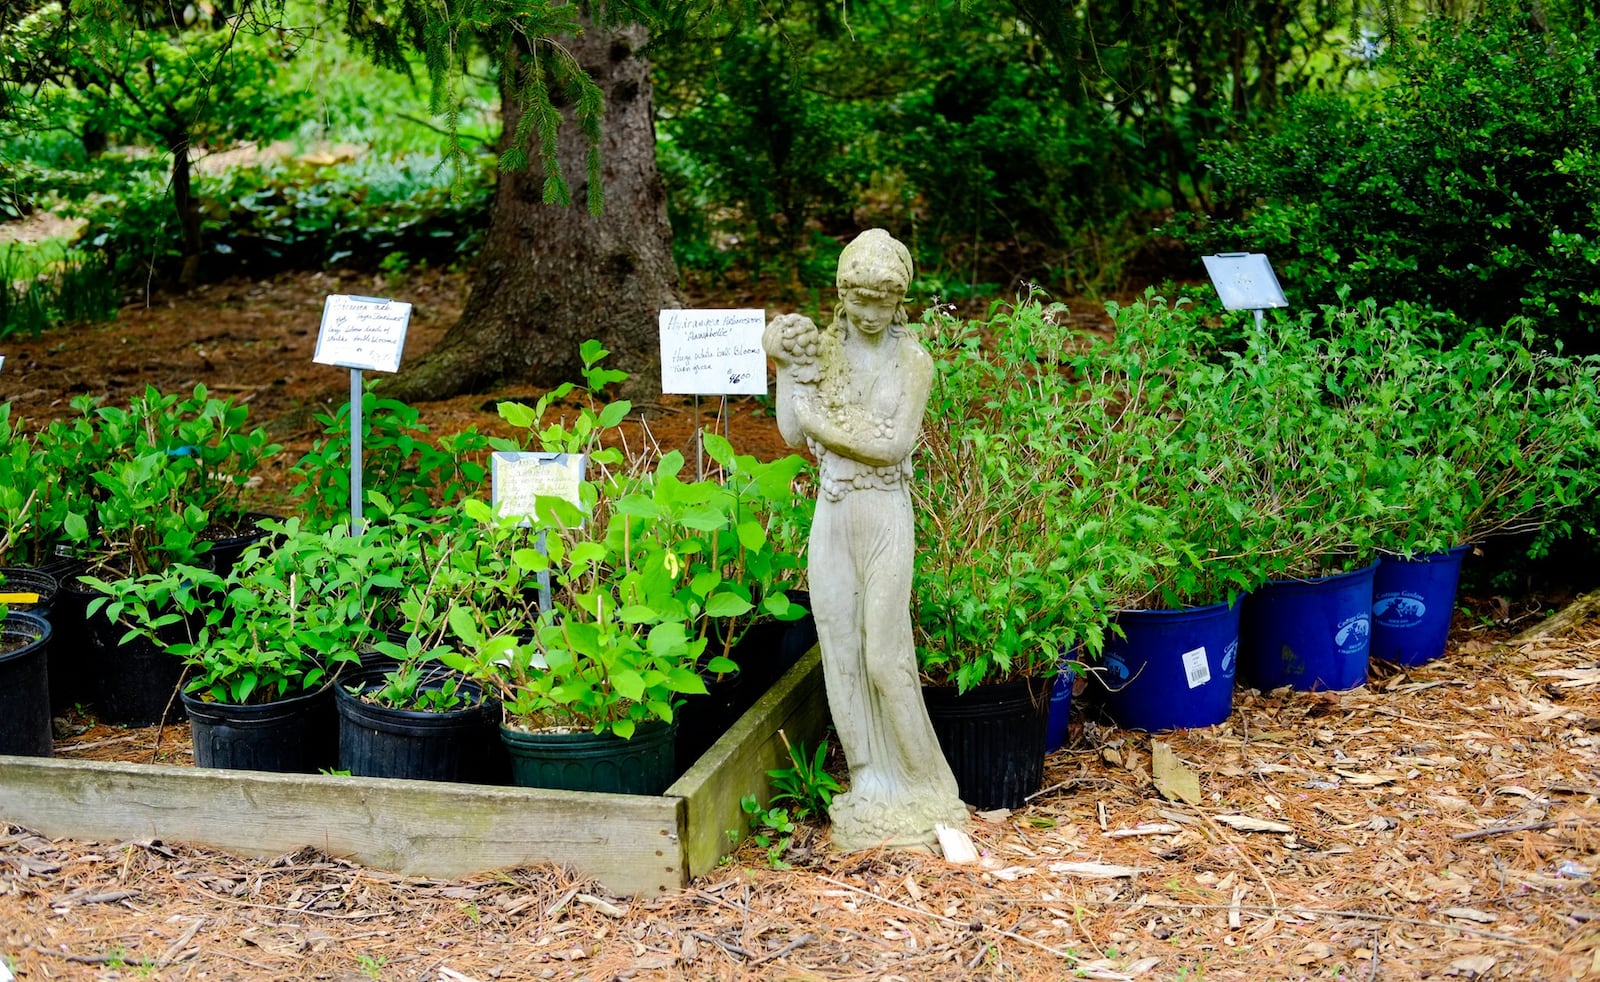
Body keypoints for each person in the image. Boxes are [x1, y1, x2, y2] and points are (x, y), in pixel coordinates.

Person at [764, 229, 967, 851]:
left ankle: (929, 783)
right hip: (834, 511)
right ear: (842, 295)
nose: (873, 313)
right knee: (841, 652)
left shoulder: (914, 362)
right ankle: (868, 782)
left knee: (884, 653)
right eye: (860, 301)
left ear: (901, 299)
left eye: (885, 301)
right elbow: (793, 436)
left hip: (883, 511)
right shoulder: (821, 351)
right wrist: (785, 368)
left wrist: (825, 420)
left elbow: (892, 444)